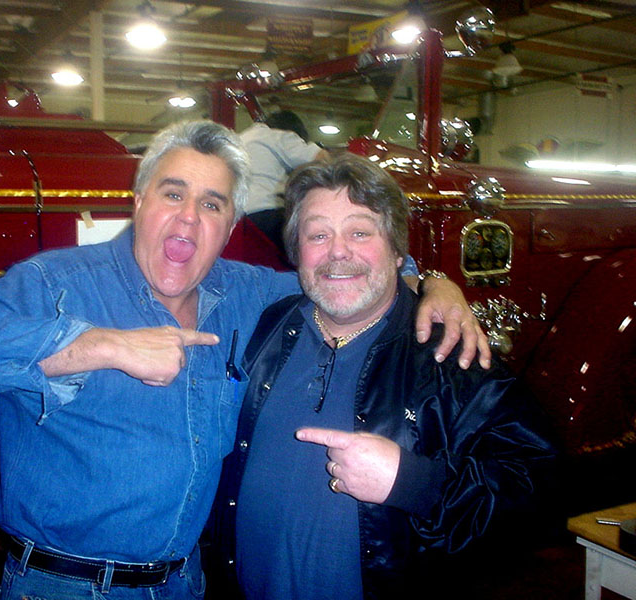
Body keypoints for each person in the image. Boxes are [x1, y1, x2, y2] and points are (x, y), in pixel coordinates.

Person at [0, 120, 488, 600]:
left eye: (212, 204)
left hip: (189, 584)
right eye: (173, 193)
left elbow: (342, 269)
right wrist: (101, 345)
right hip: (63, 585)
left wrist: (433, 282)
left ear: (231, 226)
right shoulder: (58, 282)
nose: (189, 218)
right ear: (139, 202)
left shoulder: (249, 293)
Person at [208, 154, 556, 600]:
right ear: (297, 254)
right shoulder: (270, 325)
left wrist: (415, 483)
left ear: (397, 252)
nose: (338, 251)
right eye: (318, 234)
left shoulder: (447, 352)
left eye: (359, 231)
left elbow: (540, 490)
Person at [240, 110, 327, 251]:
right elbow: (323, 159)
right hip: (269, 217)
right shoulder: (278, 136)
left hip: (238, 222)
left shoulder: (240, 139)